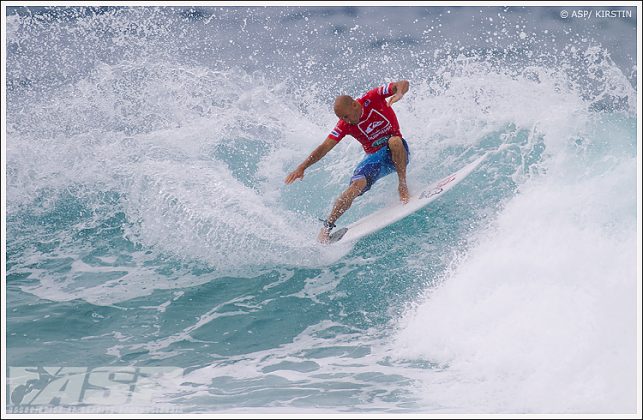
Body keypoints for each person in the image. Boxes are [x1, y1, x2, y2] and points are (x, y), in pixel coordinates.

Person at [284, 80, 410, 243]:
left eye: (346, 116)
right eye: (341, 118)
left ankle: (403, 185)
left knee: (395, 141)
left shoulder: (372, 98)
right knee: (354, 187)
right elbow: (325, 146)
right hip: (374, 158)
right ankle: (327, 227)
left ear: (355, 106)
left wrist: (399, 93)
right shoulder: (345, 124)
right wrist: (302, 167)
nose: (345, 120)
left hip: (398, 152)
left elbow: (402, 83)